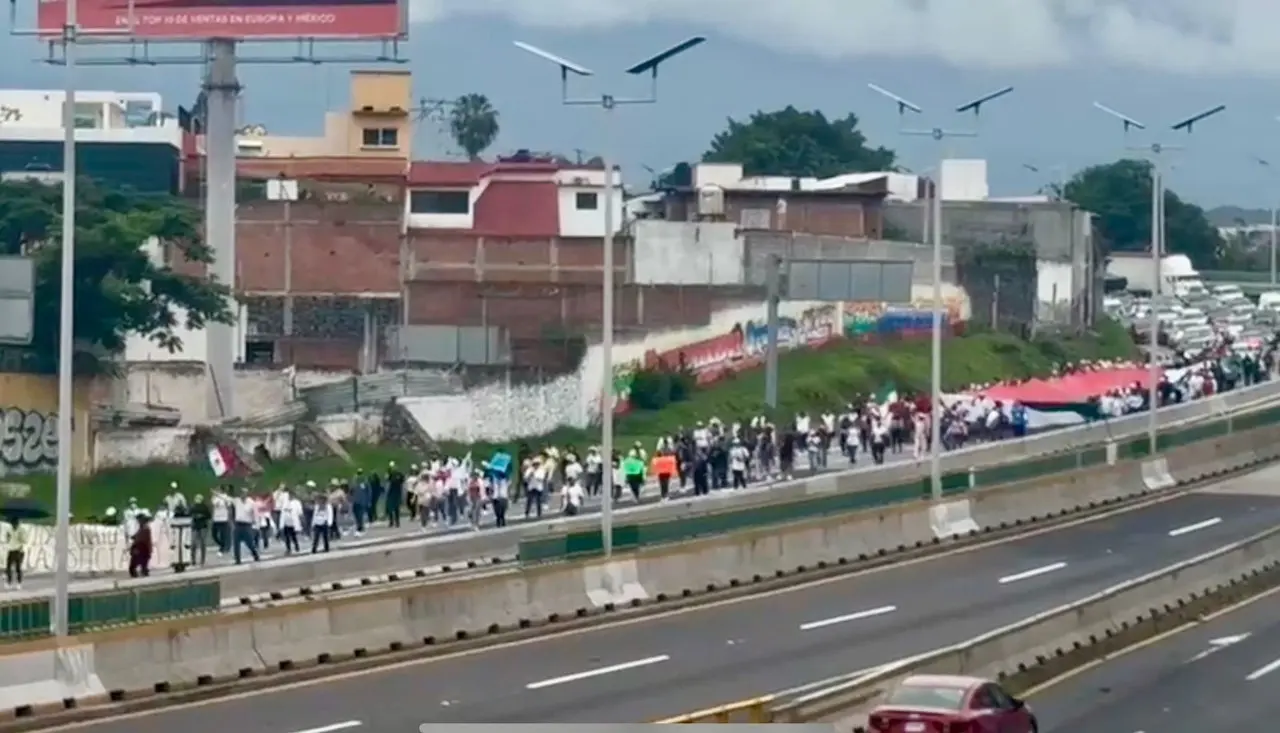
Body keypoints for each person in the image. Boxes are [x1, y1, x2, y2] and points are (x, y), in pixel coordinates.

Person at [1, 517, 27, 590]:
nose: (14, 526)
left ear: (17, 524)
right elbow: (7, 538)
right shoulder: (9, 530)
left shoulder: (22, 530)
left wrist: (21, 538)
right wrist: (7, 538)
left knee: (18, 568)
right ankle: (9, 582)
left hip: (19, 550)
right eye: (12, 524)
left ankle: (19, 583)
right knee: (8, 567)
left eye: (15, 524)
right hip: (11, 550)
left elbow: (25, 540)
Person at [128, 512, 153, 578]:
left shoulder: (145, 528)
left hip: (142, 548)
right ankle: (143, 572)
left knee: (137, 564)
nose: (138, 521)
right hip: (142, 548)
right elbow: (138, 536)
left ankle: (142, 573)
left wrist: (135, 544)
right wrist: (134, 537)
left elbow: (141, 538)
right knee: (141, 564)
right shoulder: (142, 528)